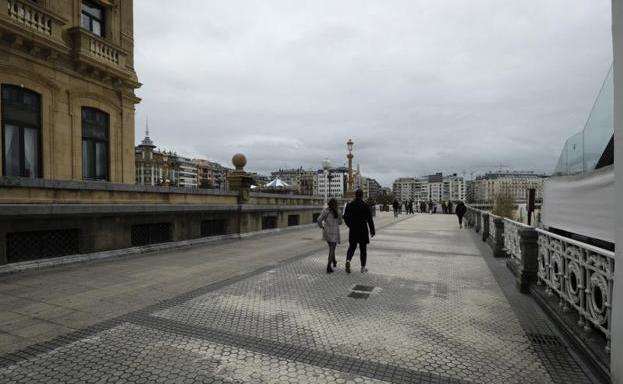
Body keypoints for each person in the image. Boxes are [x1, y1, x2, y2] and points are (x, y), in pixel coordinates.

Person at [343, 189, 376, 273]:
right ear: (362, 196)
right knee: (363, 249)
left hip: (353, 229)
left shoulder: (350, 205)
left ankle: (348, 260)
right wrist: (372, 231)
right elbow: (369, 219)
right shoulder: (365, 205)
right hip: (363, 230)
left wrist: (350, 225)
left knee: (352, 247)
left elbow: (345, 217)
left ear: (355, 195)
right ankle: (362, 267)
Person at [317, 198, 342, 273]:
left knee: (331, 248)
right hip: (334, 233)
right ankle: (328, 266)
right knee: (332, 249)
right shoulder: (338, 211)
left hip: (327, 232)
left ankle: (334, 260)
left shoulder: (326, 211)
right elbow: (340, 222)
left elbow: (319, 219)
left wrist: (321, 226)